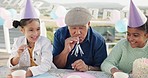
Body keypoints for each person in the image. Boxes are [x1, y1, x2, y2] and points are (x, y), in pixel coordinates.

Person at [7, 0, 56, 77]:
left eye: (38, 29)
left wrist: (28, 73)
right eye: (31, 30)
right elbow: (11, 64)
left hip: (44, 74)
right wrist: (18, 55)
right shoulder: (18, 42)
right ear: (22, 30)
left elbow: (46, 65)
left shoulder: (45, 42)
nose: (35, 33)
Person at [101, 0, 148, 76]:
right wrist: (115, 71)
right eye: (128, 34)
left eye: (135, 35)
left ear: (146, 35)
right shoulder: (122, 44)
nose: (130, 38)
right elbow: (106, 63)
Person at [53, 7, 107, 72]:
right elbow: (56, 65)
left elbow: (101, 68)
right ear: (68, 27)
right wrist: (65, 51)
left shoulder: (98, 40)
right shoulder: (59, 35)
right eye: (73, 28)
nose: (78, 32)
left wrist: (87, 68)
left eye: (81, 28)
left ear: (89, 24)